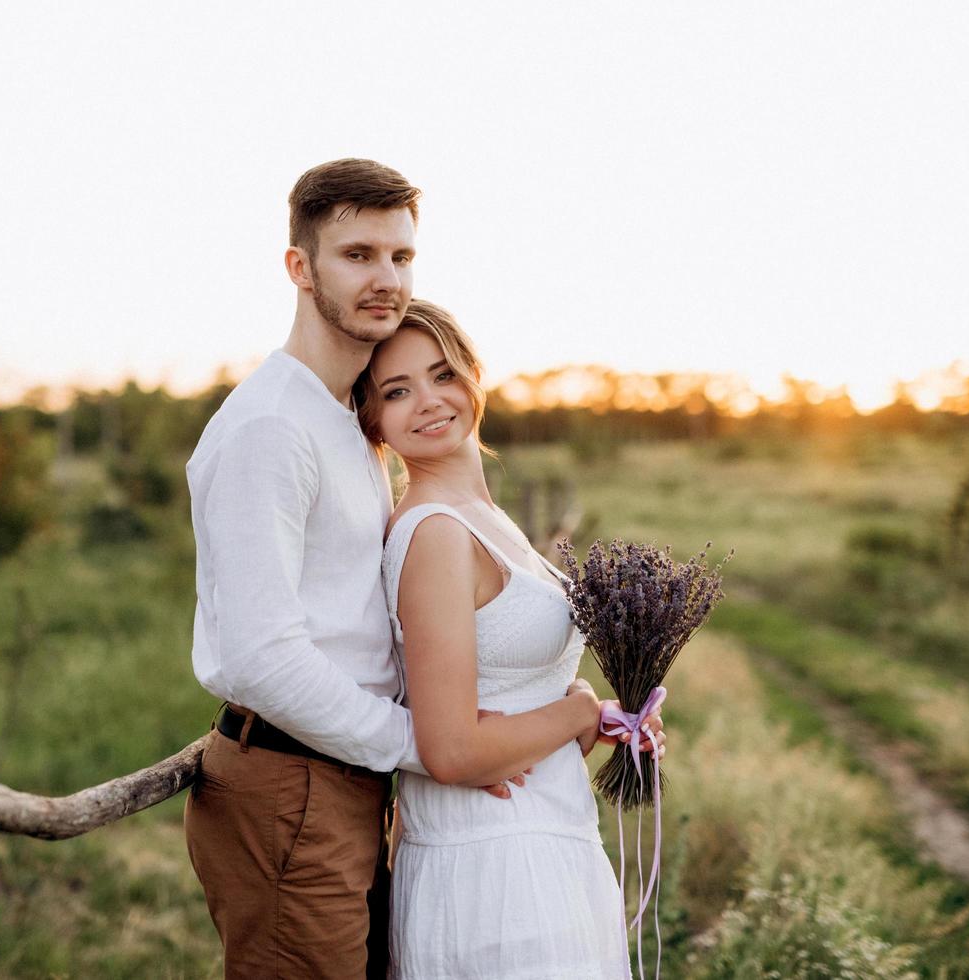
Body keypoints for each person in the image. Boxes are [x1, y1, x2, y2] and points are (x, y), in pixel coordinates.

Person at [183, 159, 600, 979]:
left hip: (345, 781)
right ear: (300, 267)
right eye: (358, 255)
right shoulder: (271, 427)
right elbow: (261, 656)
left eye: (401, 257)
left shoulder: (345, 421)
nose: (386, 279)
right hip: (290, 781)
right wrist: (432, 748)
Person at [353, 300, 665, 979]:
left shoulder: (487, 519)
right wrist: (577, 709)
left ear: (475, 375)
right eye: (397, 391)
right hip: (492, 878)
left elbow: (512, 706)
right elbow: (453, 750)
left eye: (442, 375)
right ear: (373, 419)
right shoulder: (436, 533)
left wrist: (601, 721)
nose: (429, 402)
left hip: (548, 851)